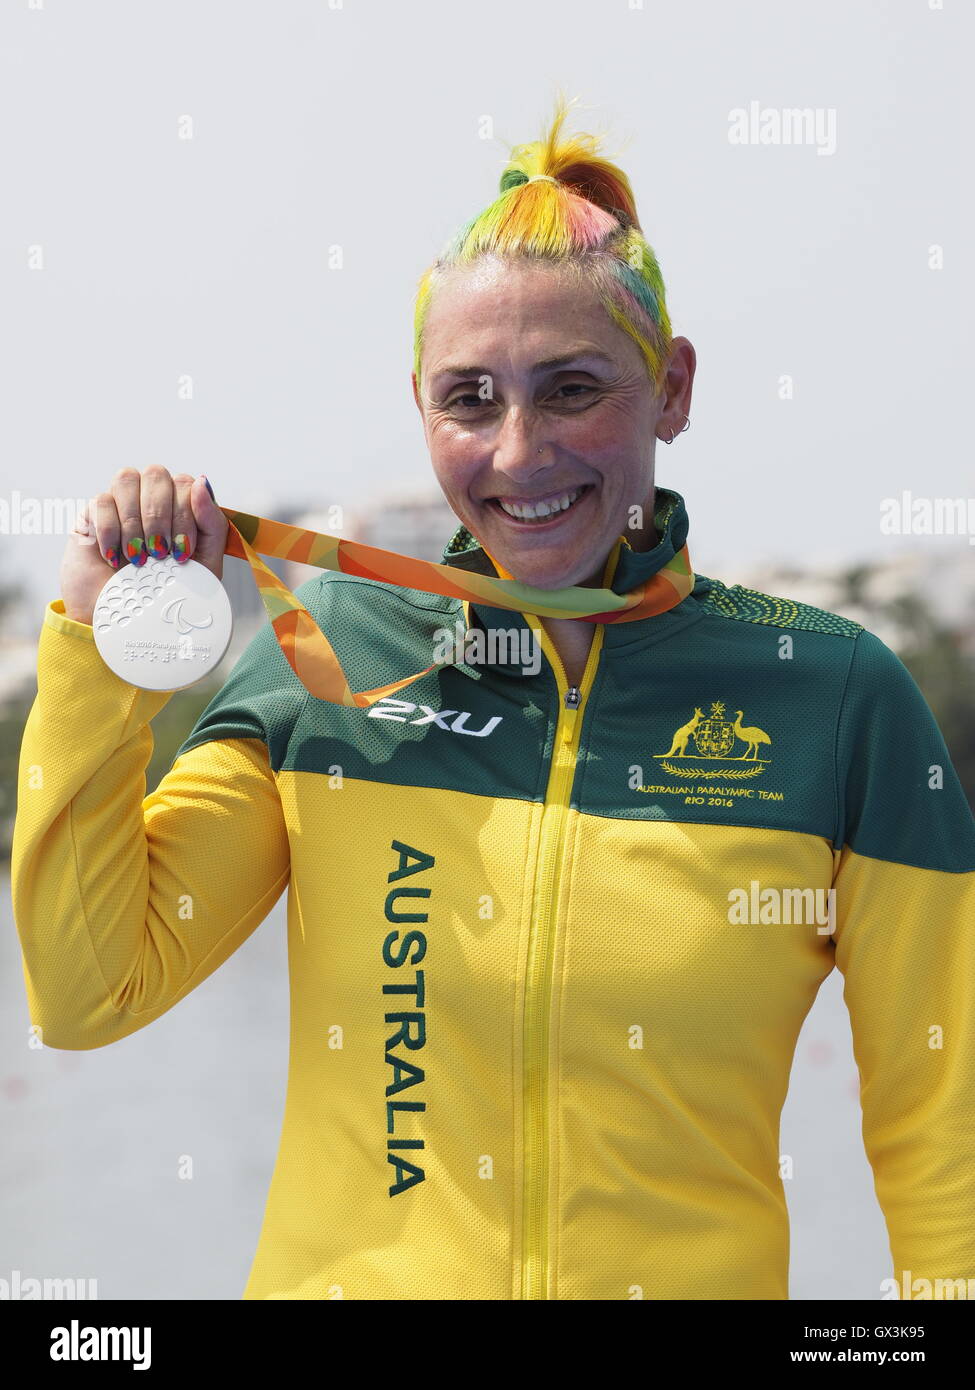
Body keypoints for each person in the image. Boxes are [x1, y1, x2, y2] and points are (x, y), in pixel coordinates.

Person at [11, 95, 975, 1302]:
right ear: (420, 403)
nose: (520, 453)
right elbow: (91, 990)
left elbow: (945, 1143)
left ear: (673, 387)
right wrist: (96, 647)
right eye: (470, 398)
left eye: (573, 389)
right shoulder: (329, 657)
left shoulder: (833, 695)